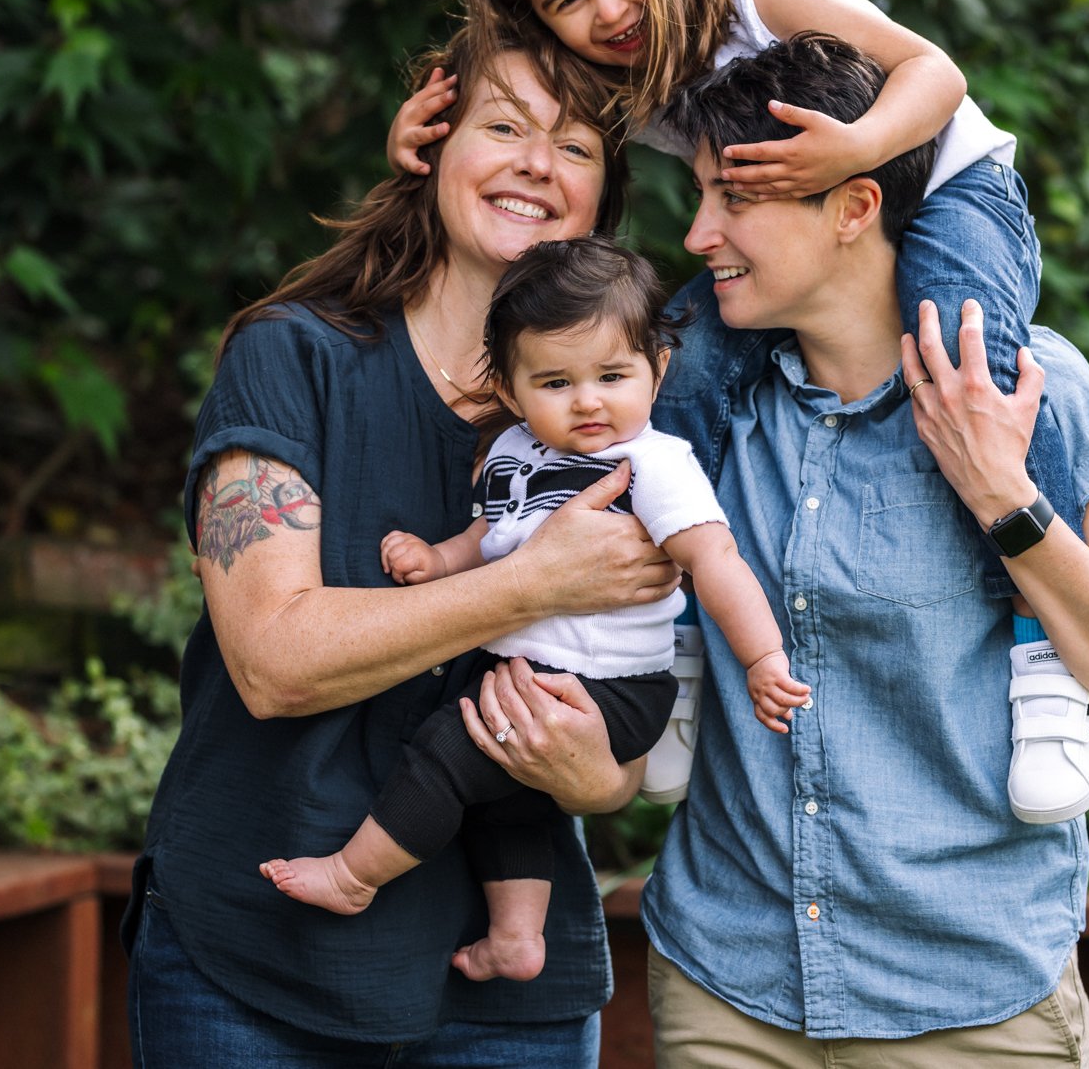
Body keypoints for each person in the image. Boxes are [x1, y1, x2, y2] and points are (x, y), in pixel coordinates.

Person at [388, 0, 1089, 822]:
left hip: (945, 184)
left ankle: (1048, 658)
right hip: (789, 231)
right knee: (671, 387)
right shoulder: (593, 65)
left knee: (971, 359)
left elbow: (935, 73)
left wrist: (850, 148)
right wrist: (419, 120)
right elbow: (496, 95)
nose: (609, 8)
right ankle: (669, 640)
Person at [644, 33, 1089, 1065]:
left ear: (854, 206)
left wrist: (1006, 498)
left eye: (732, 197)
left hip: (970, 1007)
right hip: (726, 990)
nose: (695, 234)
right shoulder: (698, 411)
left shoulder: (1034, 391)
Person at [123, 29, 676, 1067]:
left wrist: (597, 778)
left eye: (574, 147)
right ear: (429, 144)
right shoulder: (291, 355)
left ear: (602, 199)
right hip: (258, 957)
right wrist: (527, 583)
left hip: (510, 979)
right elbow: (273, 660)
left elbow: (629, 719)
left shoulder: (627, 417)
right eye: (502, 126)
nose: (533, 163)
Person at [258, 235, 808, 985]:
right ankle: (518, 936)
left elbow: (716, 560)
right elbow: (494, 534)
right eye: (555, 382)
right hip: (533, 664)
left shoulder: (650, 463)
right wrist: (440, 560)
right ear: (513, 392)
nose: (587, 400)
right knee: (508, 796)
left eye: (613, 374)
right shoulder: (517, 450)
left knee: (449, 750)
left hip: (610, 685)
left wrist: (762, 657)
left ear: (659, 369)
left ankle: (354, 877)